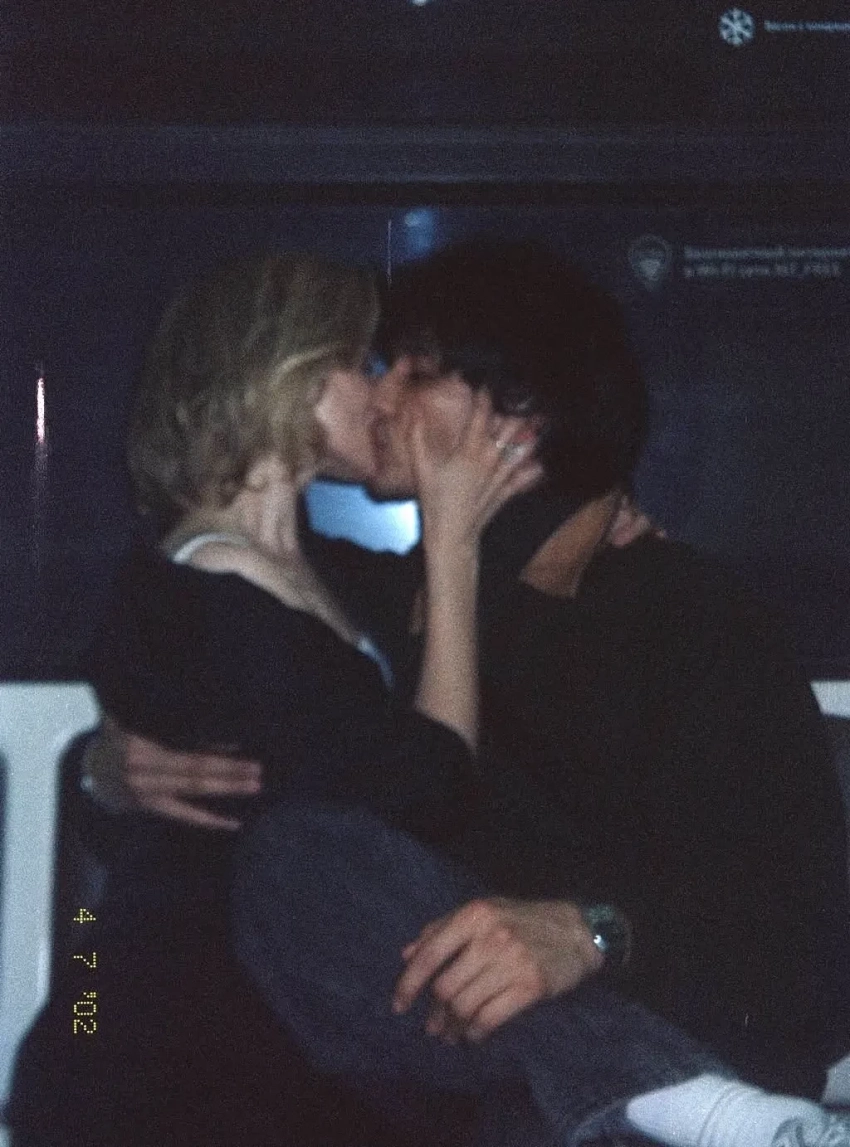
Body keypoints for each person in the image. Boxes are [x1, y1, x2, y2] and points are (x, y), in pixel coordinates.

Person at [54, 244, 850, 1147]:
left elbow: (803, 937)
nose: (380, 396)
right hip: (406, 1078)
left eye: (416, 370)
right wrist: (103, 769)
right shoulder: (355, 602)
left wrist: (592, 933)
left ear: (519, 415)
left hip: (627, 1086)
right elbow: (200, 778)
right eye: (371, 366)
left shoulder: (687, 618)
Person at [4, 250, 541, 1147]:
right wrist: (452, 544)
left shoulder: (303, 567)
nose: (382, 394)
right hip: (165, 1065)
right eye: (361, 363)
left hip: (231, 1040)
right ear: (288, 374)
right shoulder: (212, 596)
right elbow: (432, 790)